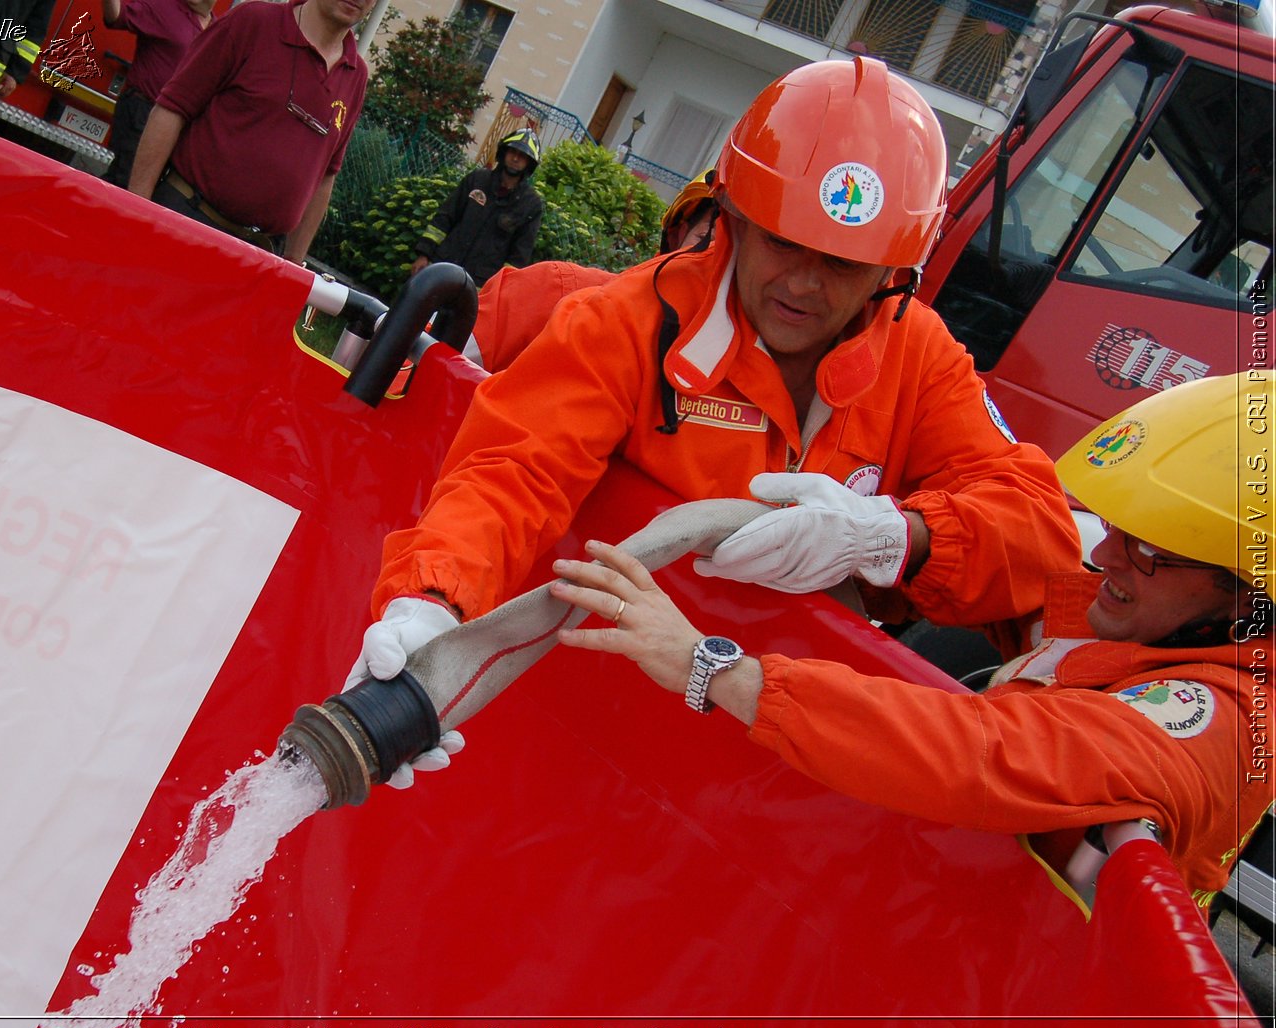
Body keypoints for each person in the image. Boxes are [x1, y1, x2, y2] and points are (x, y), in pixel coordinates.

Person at [349, 57, 1083, 737]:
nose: (804, 284)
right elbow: (512, 472)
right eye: (783, 243)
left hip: (764, 744)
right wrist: (432, 606)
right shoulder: (628, 321)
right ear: (733, 219)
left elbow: (1039, 534)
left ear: (894, 272)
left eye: (842, 266)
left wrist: (892, 535)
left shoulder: (919, 356)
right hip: (581, 712)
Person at [546, 371, 1273, 904]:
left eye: (1150, 552)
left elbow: (985, 752)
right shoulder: (1164, 620)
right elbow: (1030, 578)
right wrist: (890, 541)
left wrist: (712, 669)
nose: (1109, 556)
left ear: (1250, 597)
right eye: (1119, 529)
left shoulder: (1225, 722)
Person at [126, 0, 372, 262]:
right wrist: (135, 210)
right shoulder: (253, 22)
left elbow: (325, 175)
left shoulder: (355, 75)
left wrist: (293, 266)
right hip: (184, 220)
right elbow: (172, 108)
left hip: (257, 257)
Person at [466, 170, 719, 373]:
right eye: (710, 239)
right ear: (677, 237)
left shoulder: (738, 399)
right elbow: (438, 360)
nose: (718, 266)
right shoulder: (554, 291)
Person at [408, 129, 546, 288]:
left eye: (522, 156)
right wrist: (424, 254)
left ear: (529, 163)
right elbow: (445, 217)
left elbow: (519, 255)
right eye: (512, 151)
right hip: (442, 265)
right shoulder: (478, 180)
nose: (515, 158)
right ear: (503, 153)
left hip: (478, 285)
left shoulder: (530, 205)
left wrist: (497, 290)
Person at [100, 0, 213, 189]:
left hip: (174, 127)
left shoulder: (215, 29)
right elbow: (117, 15)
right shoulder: (164, 7)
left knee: (141, 190)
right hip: (142, 112)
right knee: (125, 185)